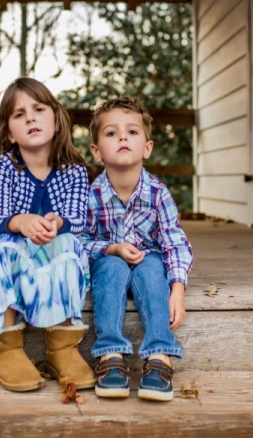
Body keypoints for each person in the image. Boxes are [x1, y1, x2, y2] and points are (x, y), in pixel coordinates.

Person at [0, 77, 96, 393]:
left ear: (56, 119)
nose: (31, 118)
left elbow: (78, 219)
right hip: (10, 253)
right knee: (7, 246)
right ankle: (6, 343)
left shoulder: (74, 170)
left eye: (38, 109)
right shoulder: (4, 167)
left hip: (52, 250)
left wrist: (57, 223)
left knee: (70, 244)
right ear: (10, 132)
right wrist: (20, 221)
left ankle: (61, 345)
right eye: (19, 114)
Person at [81, 97, 193, 402]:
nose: (122, 139)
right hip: (109, 261)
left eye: (132, 132)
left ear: (147, 147)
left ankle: (159, 356)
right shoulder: (90, 196)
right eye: (111, 133)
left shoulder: (158, 193)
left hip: (149, 258)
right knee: (112, 266)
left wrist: (178, 290)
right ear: (96, 151)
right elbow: (78, 242)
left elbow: (174, 242)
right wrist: (111, 248)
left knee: (152, 267)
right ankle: (110, 355)